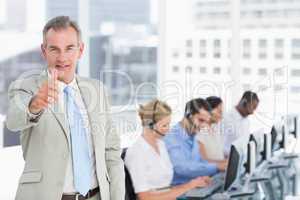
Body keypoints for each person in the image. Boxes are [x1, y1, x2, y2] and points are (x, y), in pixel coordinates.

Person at [6, 16, 124, 200]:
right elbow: (13, 120)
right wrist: (35, 104)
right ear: (44, 51)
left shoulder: (97, 90)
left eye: (69, 48)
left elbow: (112, 151)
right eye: (54, 49)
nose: (62, 58)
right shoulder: (26, 87)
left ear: (81, 50)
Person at [124, 100, 212, 200]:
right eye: (164, 125)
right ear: (150, 124)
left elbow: (165, 189)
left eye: (168, 124)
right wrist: (189, 186)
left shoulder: (160, 145)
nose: (168, 129)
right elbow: (145, 197)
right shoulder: (137, 152)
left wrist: (194, 182)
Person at [164, 98, 227, 186]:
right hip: (177, 191)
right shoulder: (172, 137)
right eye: (201, 120)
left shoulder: (193, 136)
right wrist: (216, 167)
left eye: (206, 122)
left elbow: (199, 162)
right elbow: (181, 168)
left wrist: (204, 175)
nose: (203, 126)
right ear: (188, 115)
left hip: (193, 187)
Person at [222, 91, 259, 156]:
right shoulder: (226, 119)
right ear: (243, 102)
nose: (252, 112)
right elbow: (218, 149)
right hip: (229, 161)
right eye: (252, 107)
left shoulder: (246, 120)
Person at [196, 96, 227, 165]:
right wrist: (225, 162)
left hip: (220, 170)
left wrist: (228, 159)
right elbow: (203, 161)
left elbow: (218, 154)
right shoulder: (200, 133)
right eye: (219, 112)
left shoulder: (215, 128)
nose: (221, 116)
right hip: (210, 173)